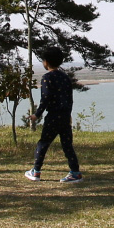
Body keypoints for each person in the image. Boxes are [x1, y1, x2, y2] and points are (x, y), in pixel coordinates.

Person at [25, 45, 82, 183]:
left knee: (43, 143)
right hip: (65, 116)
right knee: (67, 145)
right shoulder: (65, 78)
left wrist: (37, 114)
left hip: (53, 117)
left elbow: (45, 99)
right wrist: (68, 114)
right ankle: (75, 172)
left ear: (46, 62)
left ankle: (36, 171)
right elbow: (70, 99)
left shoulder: (47, 78)